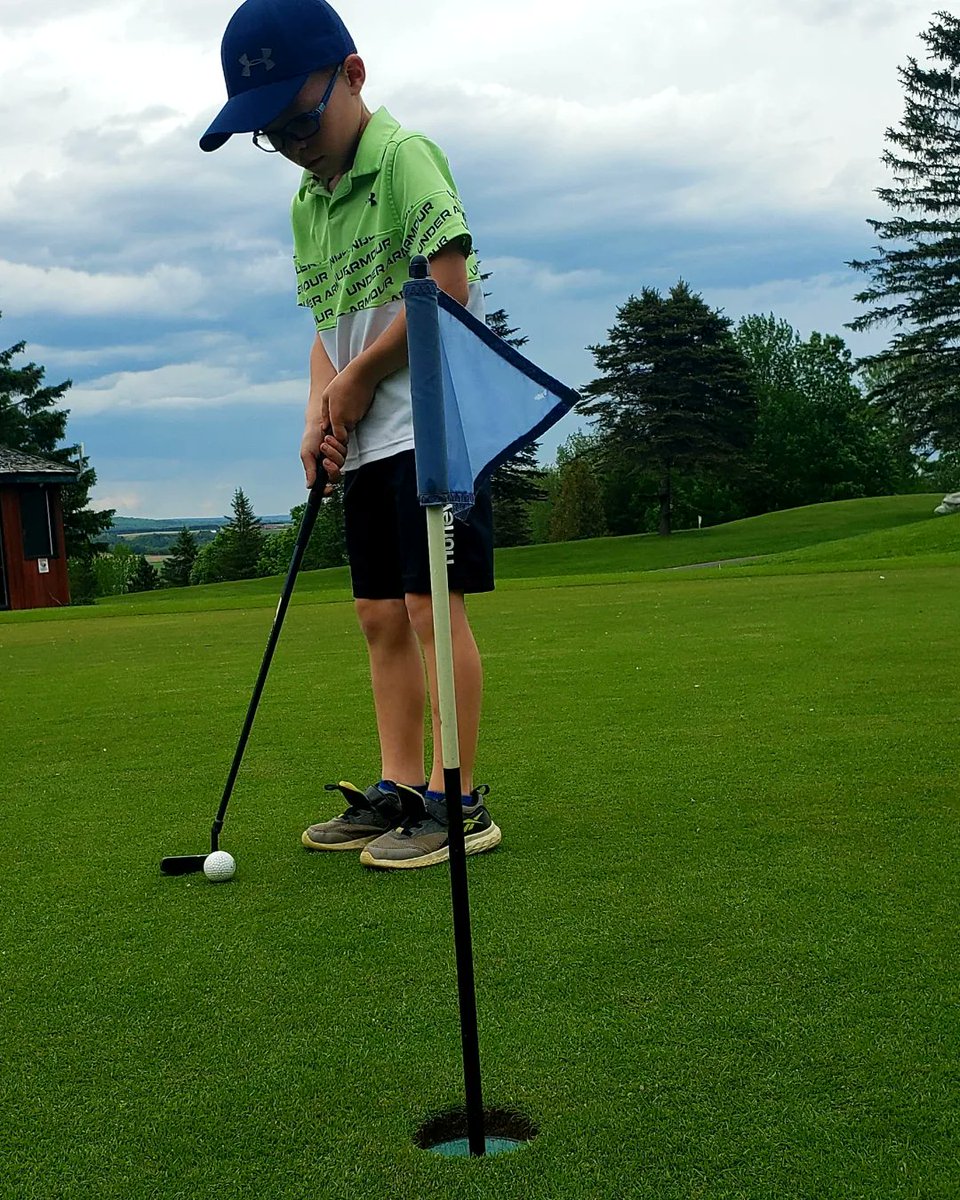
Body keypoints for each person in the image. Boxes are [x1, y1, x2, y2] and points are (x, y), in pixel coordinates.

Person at [201, 0, 501, 869]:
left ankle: (459, 800)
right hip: (367, 437)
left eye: (299, 117)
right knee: (378, 614)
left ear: (353, 74)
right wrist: (317, 409)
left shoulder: (406, 157)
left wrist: (359, 377)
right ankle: (402, 786)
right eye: (272, 133)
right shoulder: (309, 199)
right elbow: (326, 326)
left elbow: (449, 290)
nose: (292, 142)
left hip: (431, 427)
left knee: (428, 609)